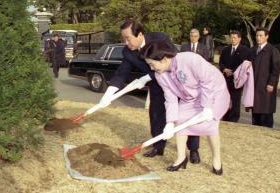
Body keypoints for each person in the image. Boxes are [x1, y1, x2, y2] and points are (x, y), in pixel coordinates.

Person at [99, 20, 200, 162]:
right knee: (156, 115)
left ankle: (194, 149)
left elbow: (173, 61)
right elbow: (122, 73)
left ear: (139, 34)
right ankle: (158, 147)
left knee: (186, 115)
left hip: (177, 83)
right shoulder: (128, 51)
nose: (126, 42)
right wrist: (109, 92)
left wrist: (148, 76)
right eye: (123, 38)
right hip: (157, 86)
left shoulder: (160, 38)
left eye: (128, 38)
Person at [140, 39, 229, 175]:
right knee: (180, 119)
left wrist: (207, 107)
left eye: (152, 64)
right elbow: (170, 99)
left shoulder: (190, 59)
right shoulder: (160, 75)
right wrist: (170, 123)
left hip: (214, 92)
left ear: (163, 59)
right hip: (190, 98)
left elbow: (207, 81)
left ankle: (217, 159)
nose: (152, 68)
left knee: (209, 124)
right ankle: (181, 158)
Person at [248, 27, 280, 128]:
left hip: (266, 85)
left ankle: (267, 129)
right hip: (254, 85)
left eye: (261, 35)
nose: (258, 38)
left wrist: (271, 83)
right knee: (256, 109)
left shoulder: (272, 50)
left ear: (267, 36)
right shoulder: (253, 50)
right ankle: (256, 127)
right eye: (257, 35)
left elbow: (276, 69)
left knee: (266, 110)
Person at [219, 30, 250, 122]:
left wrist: (234, 72)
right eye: (231, 37)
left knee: (235, 100)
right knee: (225, 99)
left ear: (239, 39)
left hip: (237, 79)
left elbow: (244, 64)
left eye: (235, 38)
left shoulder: (245, 50)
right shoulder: (225, 49)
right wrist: (224, 69)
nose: (232, 39)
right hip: (226, 79)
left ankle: (234, 118)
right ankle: (226, 116)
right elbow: (221, 63)